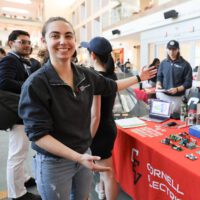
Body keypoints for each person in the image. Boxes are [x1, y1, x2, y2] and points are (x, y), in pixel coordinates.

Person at [18, 17, 156, 200]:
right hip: (55, 162)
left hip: (84, 154)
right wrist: (77, 157)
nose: (63, 41)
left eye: (68, 35)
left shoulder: (84, 75)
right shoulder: (36, 84)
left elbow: (111, 86)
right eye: (55, 35)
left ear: (74, 41)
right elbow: (38, 135)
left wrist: (139, 78)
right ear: (44, 41)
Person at [0, 30, 41, 200]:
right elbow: (4, 82)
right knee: (17, 152)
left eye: (28, 42)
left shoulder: (26, 61)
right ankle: (17, 194)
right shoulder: (10, 59)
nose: (27, 45)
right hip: (16, 111)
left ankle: (23, 178)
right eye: (22, 42)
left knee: (21, 150)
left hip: (24, 110)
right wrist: (30, 84)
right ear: (11, 43)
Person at [81, 36, 119, 200]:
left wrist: (87, 140)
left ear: (93, 55)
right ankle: (102, 193)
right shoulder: (111, 76)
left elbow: (95, 116)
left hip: (98, 130)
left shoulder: (95, 78)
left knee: (106, 174)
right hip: (108, 125)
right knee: (105, 172)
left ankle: (104, 194)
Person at [156, 40, 193, 113]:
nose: (171, 52)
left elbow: (188, 83)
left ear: (178, 50)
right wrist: (158, 84)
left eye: (174, 49)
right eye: (169, 49)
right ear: (167, 50)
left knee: (176, 121)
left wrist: (177, 89)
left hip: (177, 98)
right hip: (164, 96)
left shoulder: (185, 64)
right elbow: (159, 76)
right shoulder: (163, 63)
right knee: (162, 119)